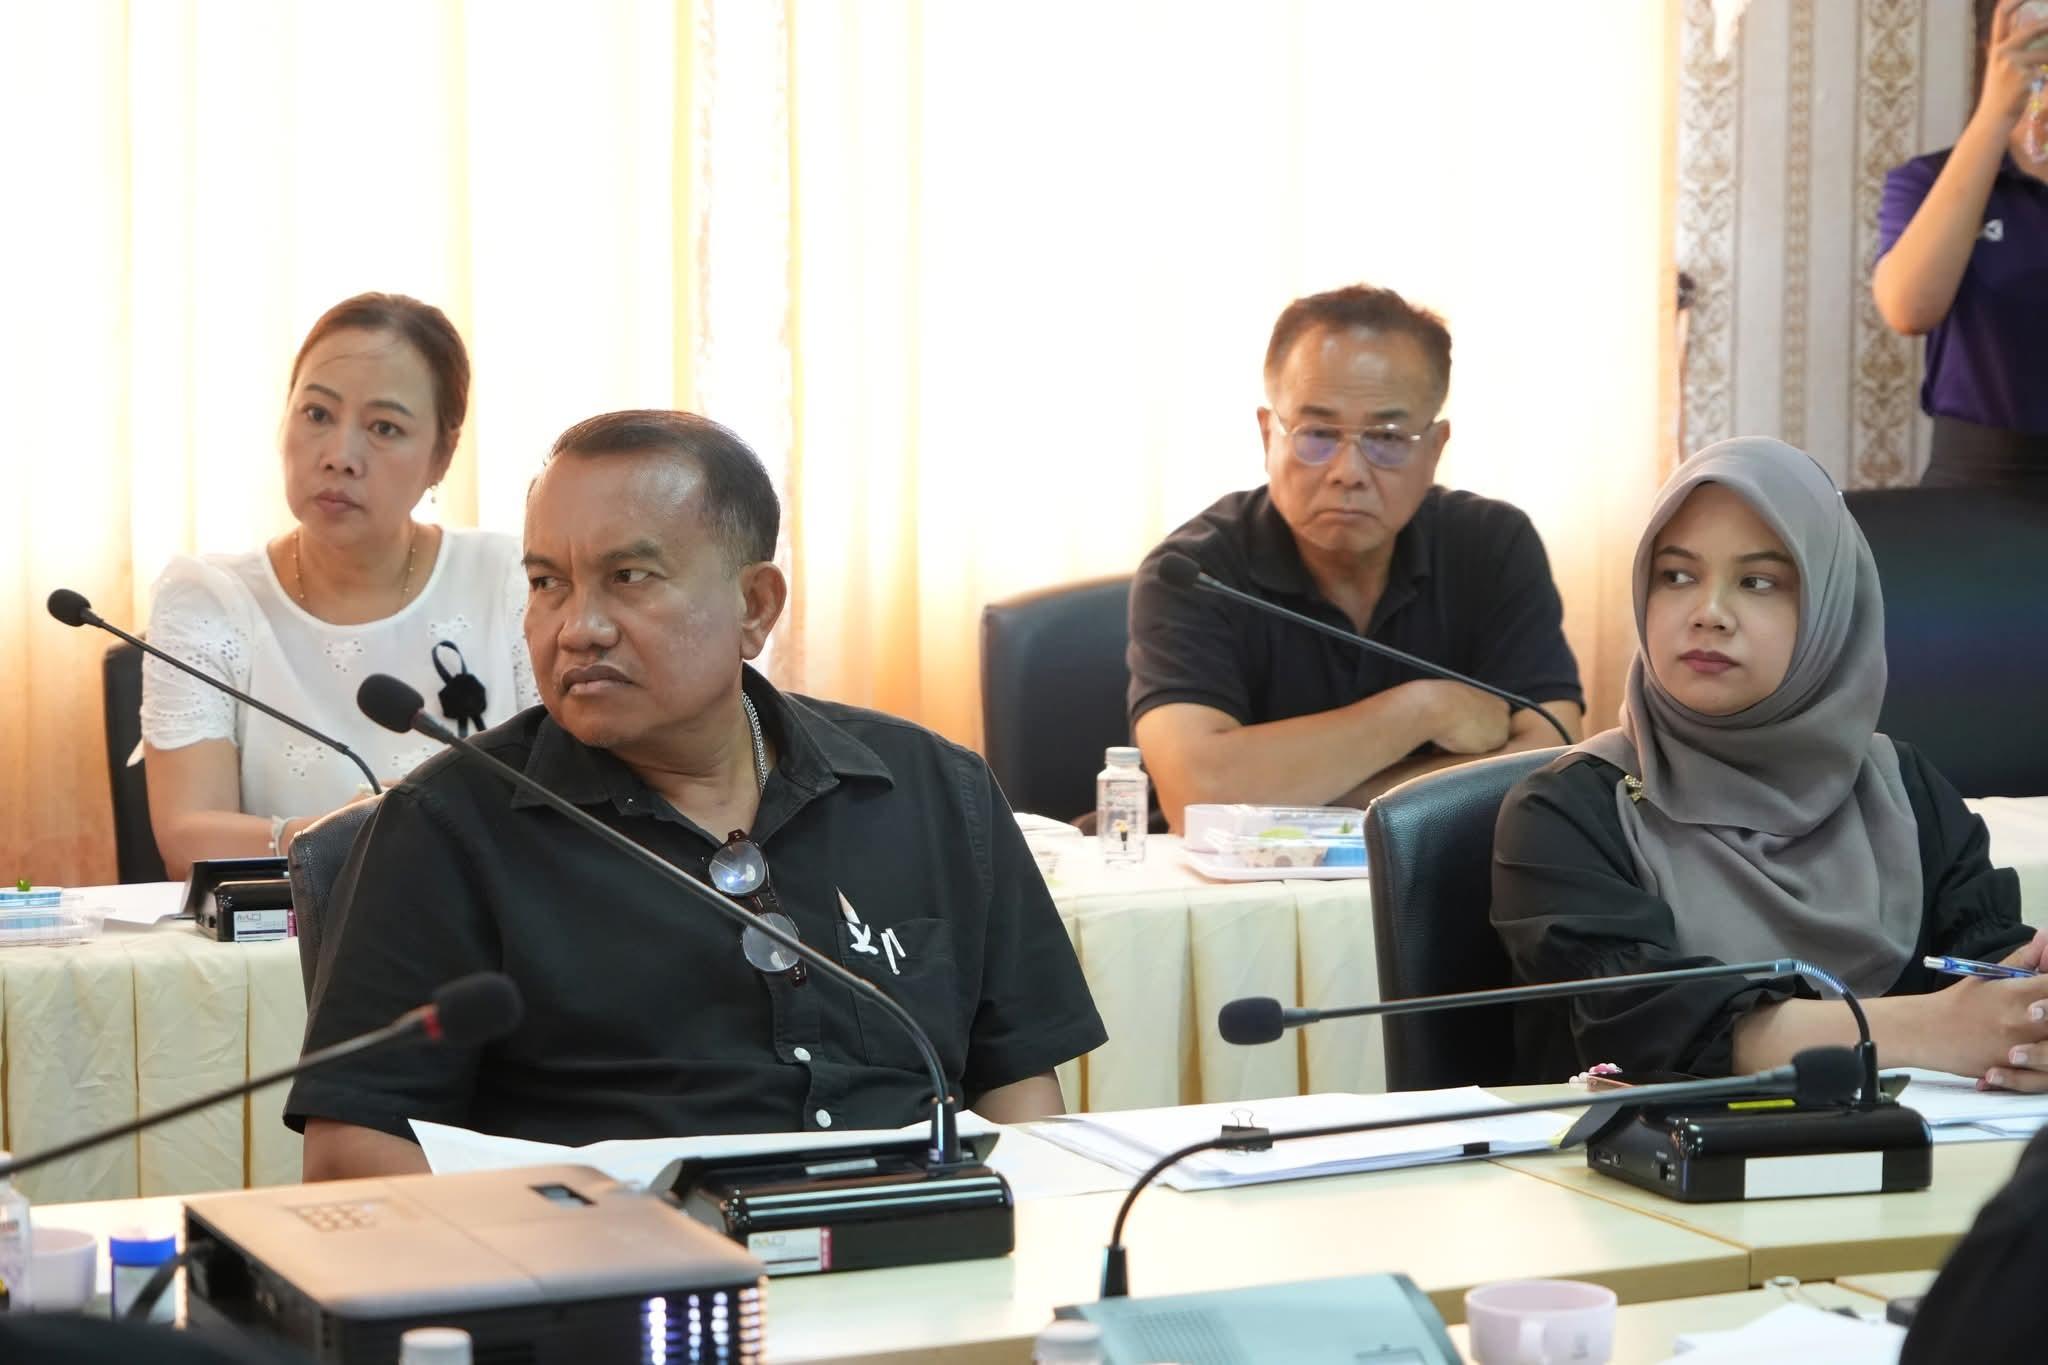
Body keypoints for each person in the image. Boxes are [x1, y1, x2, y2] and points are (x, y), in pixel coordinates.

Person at [286, 410, 1106, 1179]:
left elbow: (1020, 1093)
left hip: (921, 1249)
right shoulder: (446, 828)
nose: (578, 627)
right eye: (547, 582)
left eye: (628, 577)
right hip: (618, 1267)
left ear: (755, 605)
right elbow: (351, 1153)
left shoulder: (933, 790)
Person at [1492, 437, 2048, 1085]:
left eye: (1757, 582)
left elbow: (1990, 968)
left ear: (1831, 611)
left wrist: (2030, 1012)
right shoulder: (1565, 810)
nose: (1709, 614)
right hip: (1642, 1151)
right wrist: (1933, 1029)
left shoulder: (1904, 791)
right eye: (1677, 575)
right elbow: (1643, 1029)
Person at [1126, 284, 1584, 830]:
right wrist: (1421, 710)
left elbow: (1550, 755)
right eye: (1318, 433)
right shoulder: (1193, 572)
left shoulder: (1492, 544)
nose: (1348, 472)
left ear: (1435, 448)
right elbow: (1198, 794)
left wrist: (1309, 798)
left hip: (1434, 875)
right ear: (1268, 434)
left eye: (1386, 438)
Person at [141, 293, 537, 877]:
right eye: (317, 414)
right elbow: (188, 838)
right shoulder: (209, 599)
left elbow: (565, 810)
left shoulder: (514, 581)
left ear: (442, 455)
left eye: (384, 427)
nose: (339, 456)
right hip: (295, 931)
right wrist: (350, 834)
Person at [1873, 0, 2048, 487]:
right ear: (1993, 47)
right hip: (1976, 480)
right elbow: (1908, 309)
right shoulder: (1928, 180)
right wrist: (1995, 114)